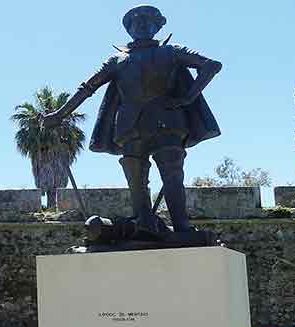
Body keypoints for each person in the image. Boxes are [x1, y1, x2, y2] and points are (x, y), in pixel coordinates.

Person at [43, 5, 222, 237]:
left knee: (171, 175)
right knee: (138, 179)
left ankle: (182, 227)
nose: (141, 26)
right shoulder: (117, 60)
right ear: (129, 30)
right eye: (136, 23)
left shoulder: (171, 51)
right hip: (133, 127)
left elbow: (211, 66)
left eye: (147, 22)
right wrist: (59, 114)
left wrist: (187, 98)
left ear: (157, 27)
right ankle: (145, 224)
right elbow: (88, 87)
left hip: (162, 122)